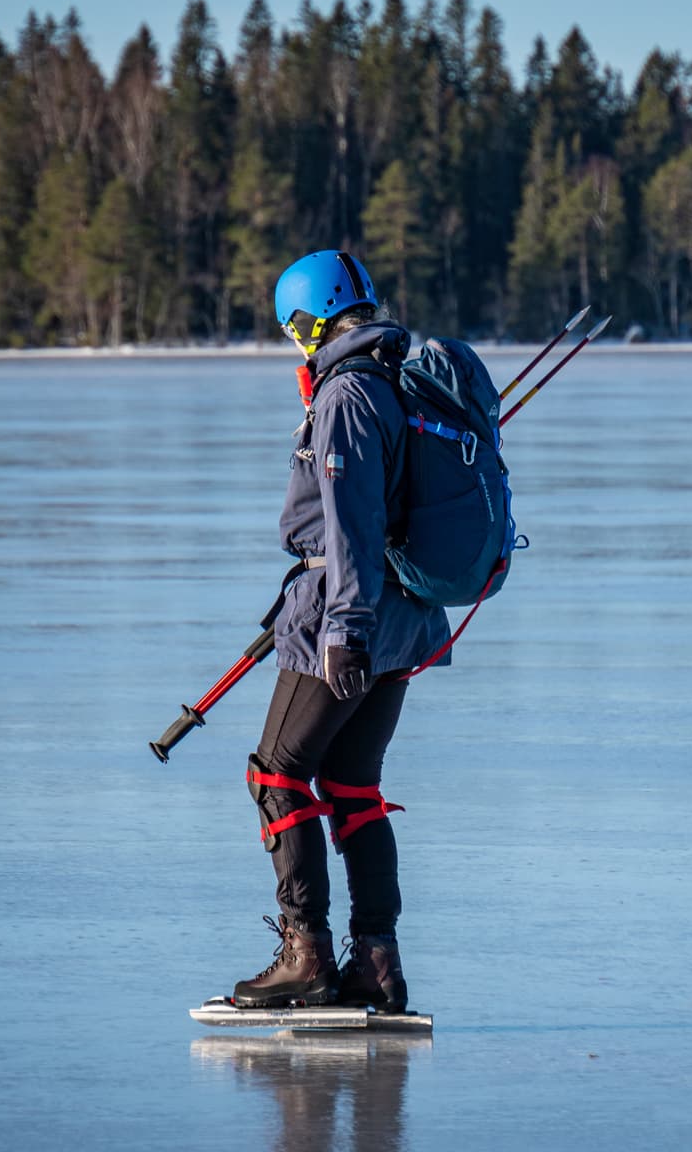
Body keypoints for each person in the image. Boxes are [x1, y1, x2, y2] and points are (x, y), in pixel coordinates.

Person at [232, 249, 449, 1012]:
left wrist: (342, 630)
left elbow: (351, 525)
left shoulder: (348, 394)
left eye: (294, 326)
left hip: (349, 614)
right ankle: (378, 966)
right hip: (403, 619)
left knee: (277, 772)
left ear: (310, 319)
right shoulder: (392, 377)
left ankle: (307, 954)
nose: (294, 341)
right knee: (352, 784)